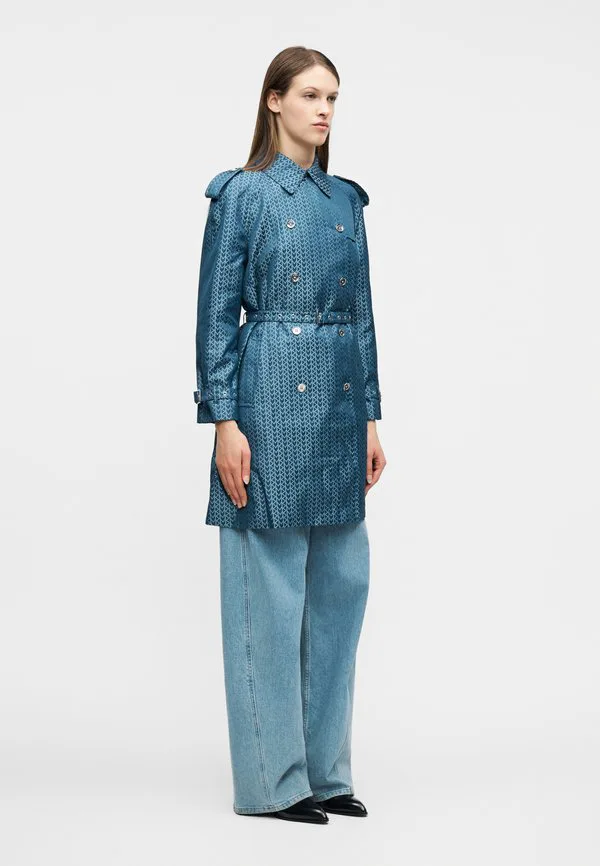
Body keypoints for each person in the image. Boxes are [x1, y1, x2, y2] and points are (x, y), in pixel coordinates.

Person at [193, 46, 387, 824]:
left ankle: (326, 773)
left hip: (339, 406)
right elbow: (216, 314)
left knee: (341, 590)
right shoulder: (241, 194)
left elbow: (363, 315)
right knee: (267, 596)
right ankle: (273, 783)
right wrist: (223, 421)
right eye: (310, 94)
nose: (324, 109)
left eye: (332, 96)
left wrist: (370, 416)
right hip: (267, 398)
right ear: (274, 100)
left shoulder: (345, 200)